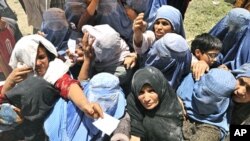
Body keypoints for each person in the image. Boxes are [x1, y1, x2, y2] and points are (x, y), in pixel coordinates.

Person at [0, 34, 103, 139]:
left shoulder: (53, 69)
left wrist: (86, 106)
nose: (38, 63)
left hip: (42, 129)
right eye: (31, 59)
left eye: (41, 57)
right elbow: (4, 100)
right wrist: (8, 84)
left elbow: (69, 85)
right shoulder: (17, 77)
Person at [44, 72, 127, 141]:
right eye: (97, 98)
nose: (103, 106)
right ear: (86, 93)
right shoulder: (60, 115)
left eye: (108, 100)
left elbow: (121, 125)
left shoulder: (109, 117)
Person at [177, 68, 237, 141]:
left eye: (211, 96)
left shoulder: (212, 131)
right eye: (203, 90)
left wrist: (180, 117)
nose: (204, 100)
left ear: (224, 100)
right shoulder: (187, 83)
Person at [127, 66, 184, 141]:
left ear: (161, 89)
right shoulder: (133, 100)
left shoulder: (171, 102)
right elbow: (135, 133)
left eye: (151, 91)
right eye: (141, 92)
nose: (146, 99)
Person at [0, 13, 22, 79]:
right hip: (3, 73)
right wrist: (9, 79)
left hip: (19, 65)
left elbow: (20, 44)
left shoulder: (12, 24)